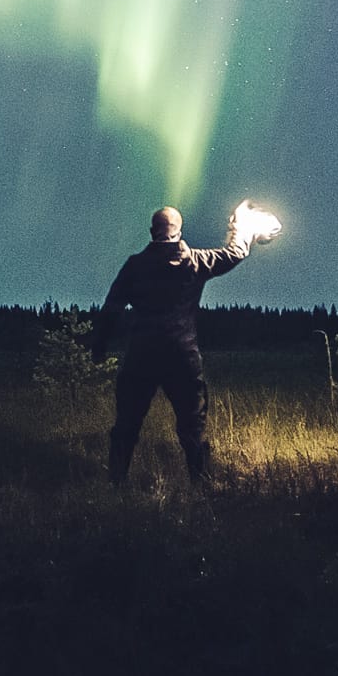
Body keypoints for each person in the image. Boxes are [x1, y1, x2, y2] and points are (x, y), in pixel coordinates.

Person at [97, 203, 255, 485]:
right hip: (182, 355)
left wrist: (98, 346)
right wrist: (241, 229)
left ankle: (116, 485)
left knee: (128, 424)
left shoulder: (135, 265)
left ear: (152, 231)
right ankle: (201, 486)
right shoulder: (195, 261)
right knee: (192, 425)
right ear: (179, 231)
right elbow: (236, 253)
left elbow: (112, 307)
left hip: (141, 355)